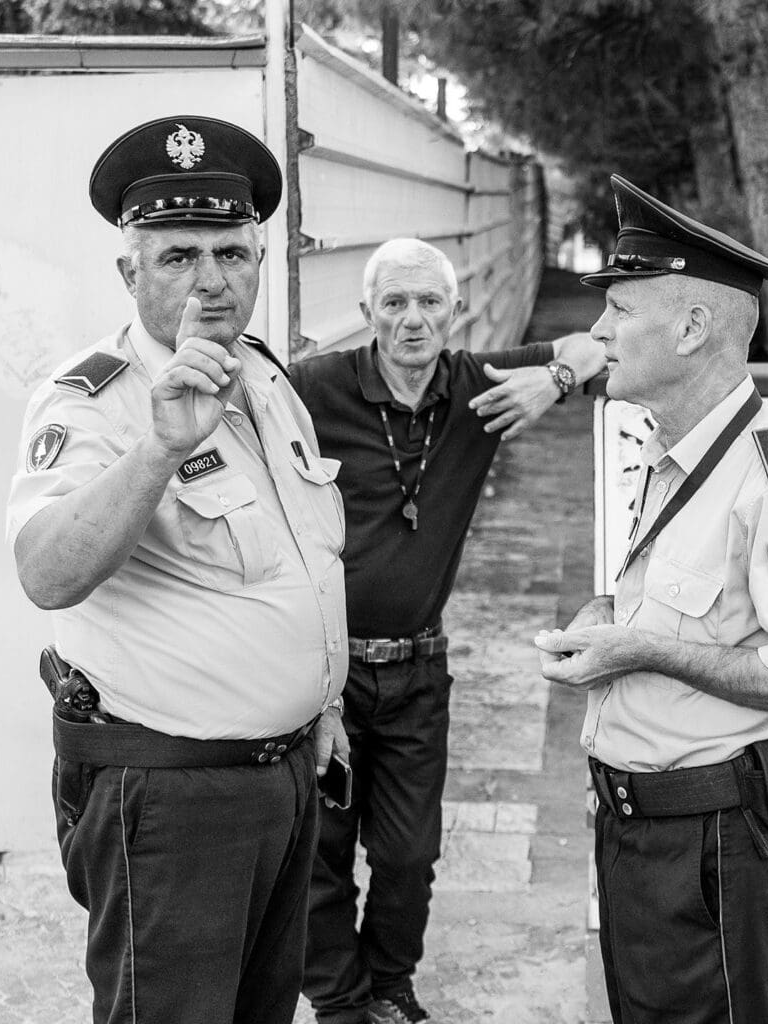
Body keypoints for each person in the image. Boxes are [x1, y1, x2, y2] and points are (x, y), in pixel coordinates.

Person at [6, 115, 349, 1024]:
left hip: (282, 777)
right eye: (179, 256)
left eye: (232, 253)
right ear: (131, 273)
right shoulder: (94, 400)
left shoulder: (265, 376)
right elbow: (46, 574)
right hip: (169, 797)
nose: (211, 280)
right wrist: (158, 451)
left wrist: (324, 701)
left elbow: (303, 558)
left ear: (260, 260)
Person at [535, 176, 768, 1024]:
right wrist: (612, 619)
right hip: (648, 835)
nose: (597, 331)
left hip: (719, 843)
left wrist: (642, 649)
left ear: (691, 329)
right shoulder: (674, 450)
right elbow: (698, 607)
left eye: (619, 309)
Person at [290, 237, 608, 1024]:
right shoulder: (314, 387)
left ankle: (391, 985)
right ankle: (342, 1003)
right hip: (320, 674)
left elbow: (596, 341)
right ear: (367, 313)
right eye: (394, 303)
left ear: (454, 311)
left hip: (417, 671)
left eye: (429, 301)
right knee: (319, 855)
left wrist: (553, 381)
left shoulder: (480, 383)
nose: (412, 319)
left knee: (409, 853)